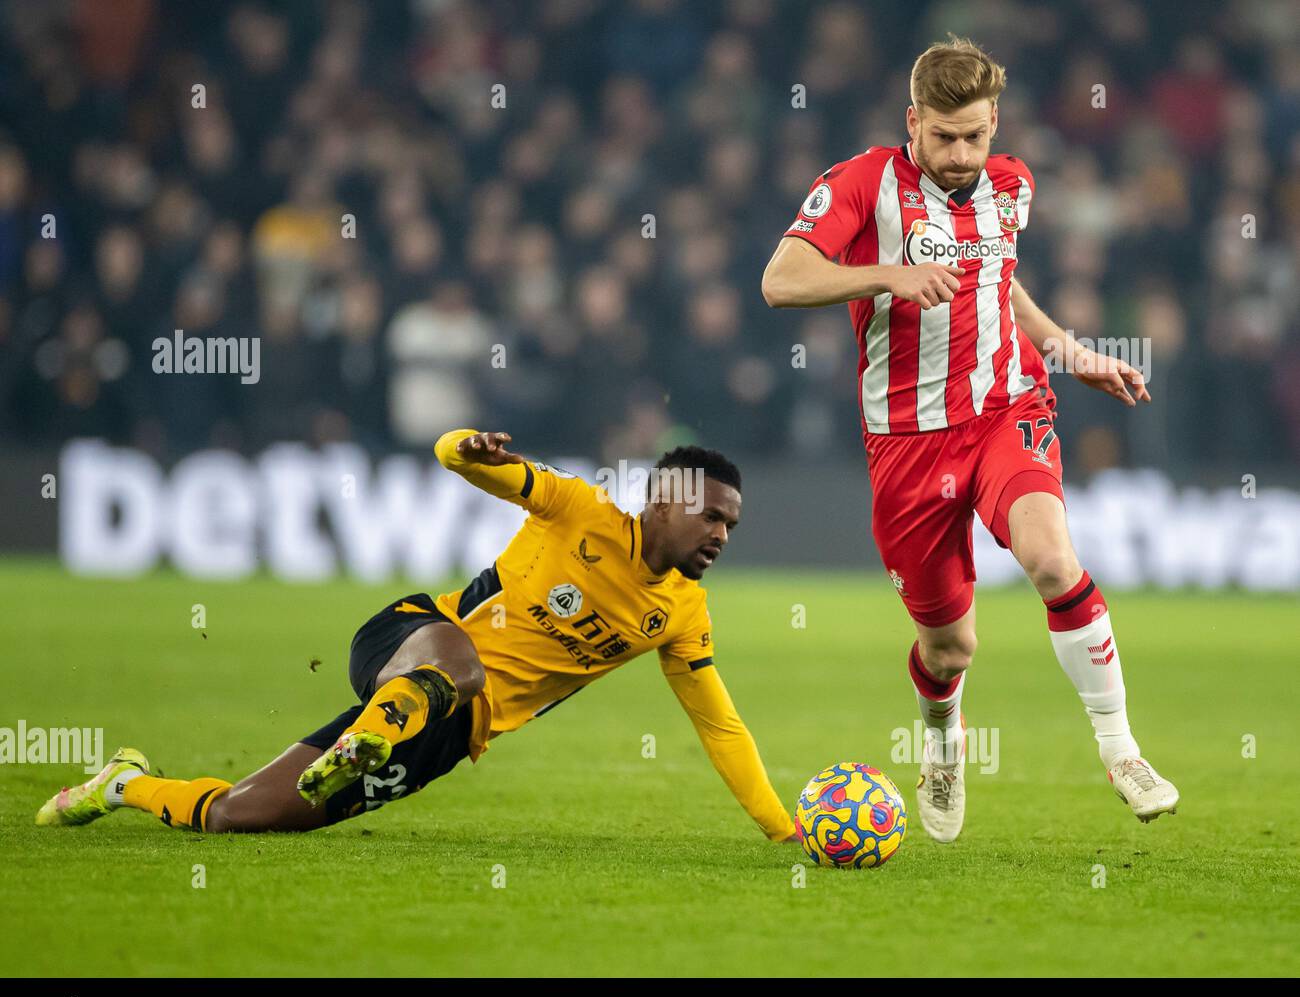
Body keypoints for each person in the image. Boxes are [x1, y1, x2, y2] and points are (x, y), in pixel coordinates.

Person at [760, 35, 1177, 842]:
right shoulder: (861, 183)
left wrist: (1067, 349)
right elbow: (782, 279)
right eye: (943, 137)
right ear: (911, 121)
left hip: (1004, 410)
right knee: (950, 647)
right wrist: (887, 274)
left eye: (975, 137)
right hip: (908, 442)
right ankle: (944, 737)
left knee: (1054, 560)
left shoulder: (1014, 184)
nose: (960, 155)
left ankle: (1120, 747)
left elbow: (997, 278)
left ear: (996, 124)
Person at [37, 430, 797, 844]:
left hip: (449, 733)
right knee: (462, 665)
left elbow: (719, 724)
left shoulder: (683, 615)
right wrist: (472, 448)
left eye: (731, 524)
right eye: (713, 516)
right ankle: (365, 738)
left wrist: (783, 828)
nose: (722, 534)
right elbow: (455, 455)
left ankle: (123, 783)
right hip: (413, 639)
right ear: (665, 500)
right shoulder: (580, 509)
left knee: (245, 815)